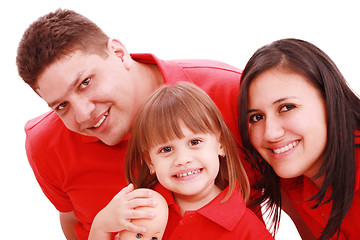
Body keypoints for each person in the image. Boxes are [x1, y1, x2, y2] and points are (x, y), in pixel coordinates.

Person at [16, 9, 247, 240]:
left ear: (118, 52)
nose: (83, 115)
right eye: (61, 106)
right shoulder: (45, 143)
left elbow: (283, 183)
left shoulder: (231, 92)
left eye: (85, 82)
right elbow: (72, 220)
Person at [90, 83, 274, 239]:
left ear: (221, 145)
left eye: (194, 142)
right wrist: (101, 227)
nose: (183, 159)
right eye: (166, 149)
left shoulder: (247, 230)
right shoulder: (142, 210)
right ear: (150, 162)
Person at [237, 38, 360, 239]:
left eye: (287, 107)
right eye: (256, 117)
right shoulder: (289, 180)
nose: (270, 133)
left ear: (330, 100)